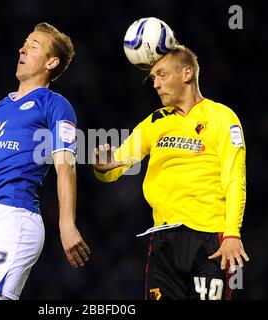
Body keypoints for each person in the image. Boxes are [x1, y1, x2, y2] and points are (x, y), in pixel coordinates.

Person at [92, 45, 249, 300]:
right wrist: (101, 168)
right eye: (153, 78)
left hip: (210, 240)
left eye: (162, 75)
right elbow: (116, 166)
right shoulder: (155, 121)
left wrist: (232, 232)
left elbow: (234, 178)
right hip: (164, 241)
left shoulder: (222, 117)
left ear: (187, 74)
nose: (155, 84)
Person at [0, 22, 91, 300]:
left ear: (51, 61)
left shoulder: (54, 105)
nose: (22, 48)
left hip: (14, 218)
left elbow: (66, 165)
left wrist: (66, 224)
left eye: (33, 45)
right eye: (25, 43)